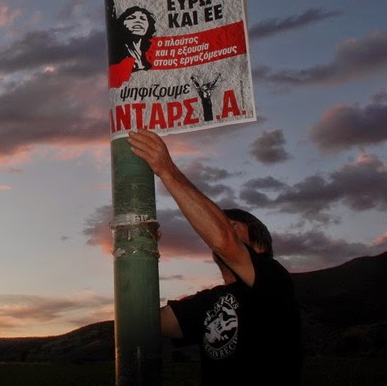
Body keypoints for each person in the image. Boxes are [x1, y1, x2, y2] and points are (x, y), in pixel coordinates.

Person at [127, 129, 303, 385]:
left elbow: (224, 241)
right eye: (223, 225)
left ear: (260, 246)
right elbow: (146, 321)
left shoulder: (275, 280)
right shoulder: (209, 301)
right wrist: (144, 254)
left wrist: (167, 170)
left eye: (234, 226)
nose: (222, 231)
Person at [107, 5, 157, 87]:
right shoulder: (115, 57)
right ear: (121, 23)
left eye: (143, 19)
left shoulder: (148, 57)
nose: (138, 21)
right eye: (131, 18)